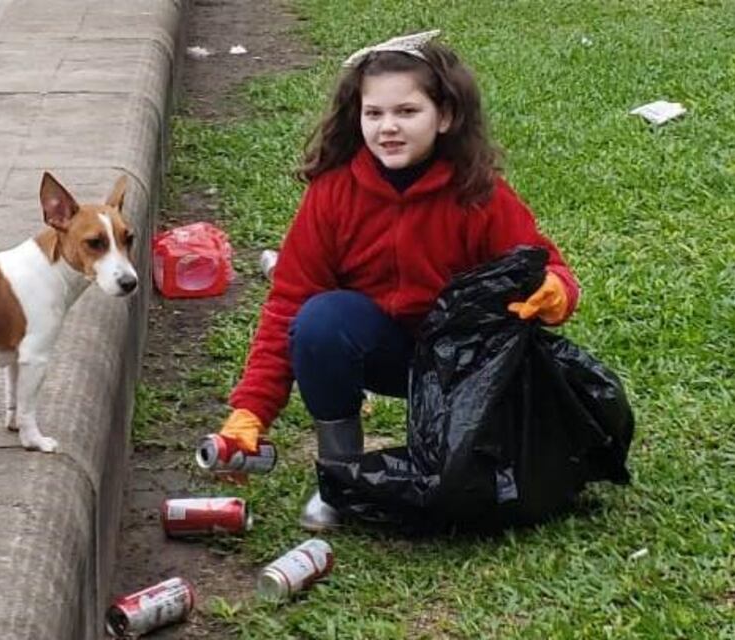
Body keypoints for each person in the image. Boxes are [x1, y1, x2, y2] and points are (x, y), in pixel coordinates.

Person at [217, 30, 580, 531]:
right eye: (374, 114)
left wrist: (555, 293)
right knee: (319, 321)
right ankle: (340, 478)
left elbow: (549, 266)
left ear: (445, 116)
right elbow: (287, 304)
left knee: (471, 489)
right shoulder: (332, 195)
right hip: (384, 349)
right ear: (357, 116)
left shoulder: (479, 192)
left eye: (407, 112)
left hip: (465, 360)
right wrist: (251, 411)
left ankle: (458, 453)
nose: (388, 127)